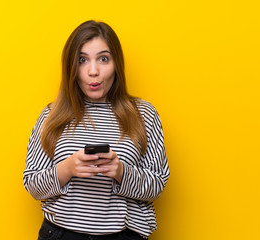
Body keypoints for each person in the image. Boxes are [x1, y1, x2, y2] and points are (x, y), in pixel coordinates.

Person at [23, 20, 170, 240]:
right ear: (71, 67)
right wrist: (69, 168)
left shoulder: (143, 114)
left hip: (123, 234)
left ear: (116, 63)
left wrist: (120, 171)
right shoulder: (52, 115)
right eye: (82, 60)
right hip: (62, 233)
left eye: (103, 59)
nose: (93, 71)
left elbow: (157, 185)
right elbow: (32, 184)